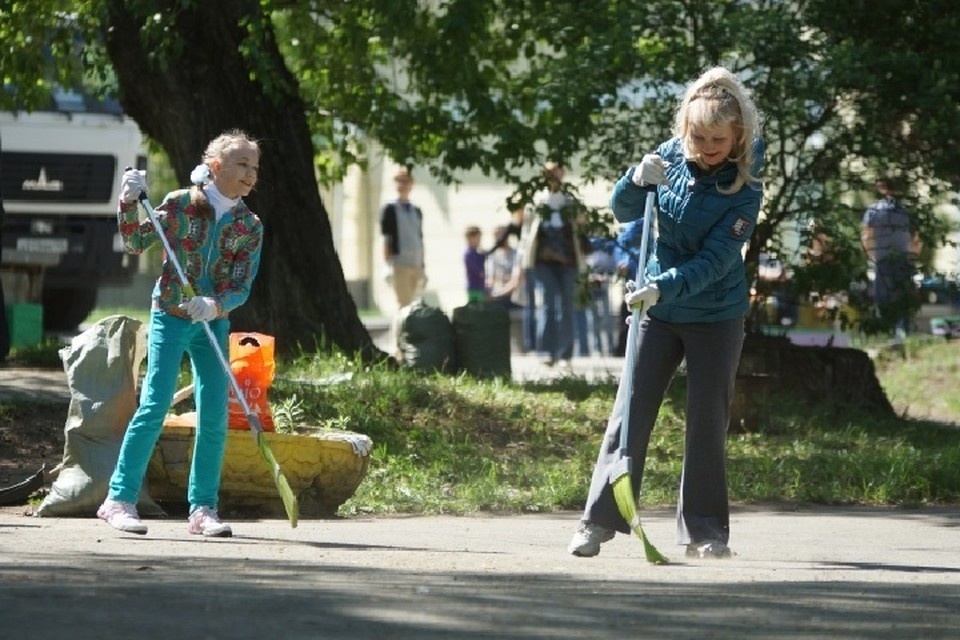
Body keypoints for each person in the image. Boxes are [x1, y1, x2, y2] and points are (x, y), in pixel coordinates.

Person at [569, 66, 764, 560]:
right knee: (629, 413)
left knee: (706, 420)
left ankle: (705, 532)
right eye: (697, 136)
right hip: (655, 309)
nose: (706, 146)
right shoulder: (671, 156)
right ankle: (598, 521)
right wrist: (635, 179)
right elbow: (624, 209)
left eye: (717, 138)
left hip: (715, 315)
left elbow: (718, 260)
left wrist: (662, 287)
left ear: (737, 134)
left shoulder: (746, 186)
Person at [97, 130, 265, 537]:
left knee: (214, 413)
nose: (250, 174)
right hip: (171, 315)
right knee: (155, 404)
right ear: (215, 167)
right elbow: (136, 242)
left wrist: (216, 305)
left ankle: (203, 508)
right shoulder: (178, 205)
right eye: (241, 164)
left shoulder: (250, 225)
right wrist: (128, 199)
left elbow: (241, 284)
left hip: (212, 321)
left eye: (255, 167)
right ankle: (118, 500)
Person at [517, 162, 585, 367]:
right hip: (543, 262)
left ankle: (565, 354)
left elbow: (582, 227)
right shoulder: (536, 202)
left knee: (566, 306)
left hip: (568, 261)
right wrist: (520, 265)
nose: (555, 177)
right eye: (551, 174)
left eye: (558, 173)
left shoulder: (570, 201)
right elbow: (526, 235)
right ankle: (546, 351)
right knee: (547, 305)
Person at [860, 177, 919, 337]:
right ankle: (894, 332)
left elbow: (866, 235)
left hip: (893, 258)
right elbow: (866, 234)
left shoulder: (900, 210)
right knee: (890, 296)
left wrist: (870, 255)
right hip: (888, 258)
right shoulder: (877, 210)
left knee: (891, 296)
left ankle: (894, 332)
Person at [380, 167, 425, 308]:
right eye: (399, 180)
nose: (402, 184)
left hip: (416, 262)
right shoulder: (390, 208)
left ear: (411, 184)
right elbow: (387, 237)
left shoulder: (416, 210)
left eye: (405, 181)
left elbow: (419, 237)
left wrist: (423, 266)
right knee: (404, 304)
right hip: (400, 262)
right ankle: (401, 330)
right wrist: (388, 265)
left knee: (412, 305)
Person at [486, 224, 520, 309]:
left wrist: (498, 294)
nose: (498, 238)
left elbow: (515, 281)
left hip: (512, 297)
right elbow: (490, 280)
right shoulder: (492, 256)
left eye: (500, 235)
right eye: (496, 235)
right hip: (496, 295)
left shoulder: (516, 255)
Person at [463, 225, 487, 303]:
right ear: (470, 238)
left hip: (479, 286)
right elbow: (476, 269)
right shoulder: (469, 253)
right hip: (474, 287)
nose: (479, 240)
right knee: (475, 309)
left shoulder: (477, 252)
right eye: (477, 238)